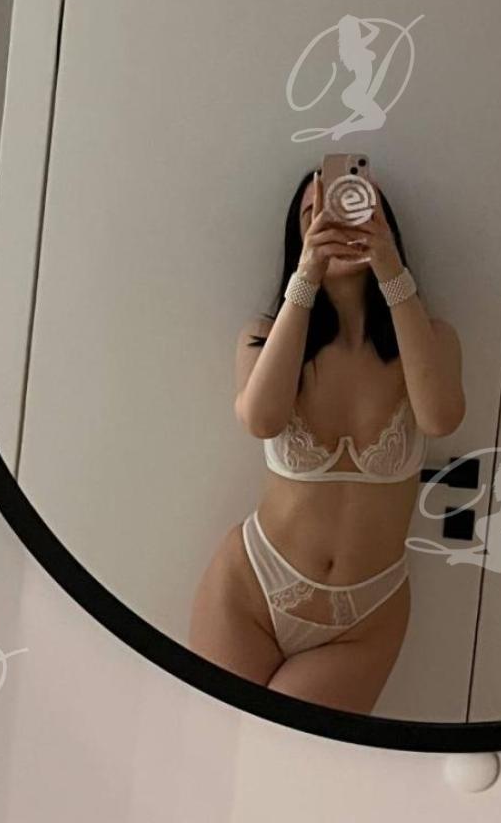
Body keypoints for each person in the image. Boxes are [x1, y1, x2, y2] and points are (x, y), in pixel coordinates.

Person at [189, 167, 465, 713]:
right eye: (314, 215)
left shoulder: (431, 338)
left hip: (365, 616)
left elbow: (439, 419)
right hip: (251, 588)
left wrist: (390, 270)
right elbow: (262, 420)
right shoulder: (262, 336)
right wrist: (307, 274)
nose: (334, 224)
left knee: (299, 760)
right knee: (213, 748)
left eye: (352, 206)